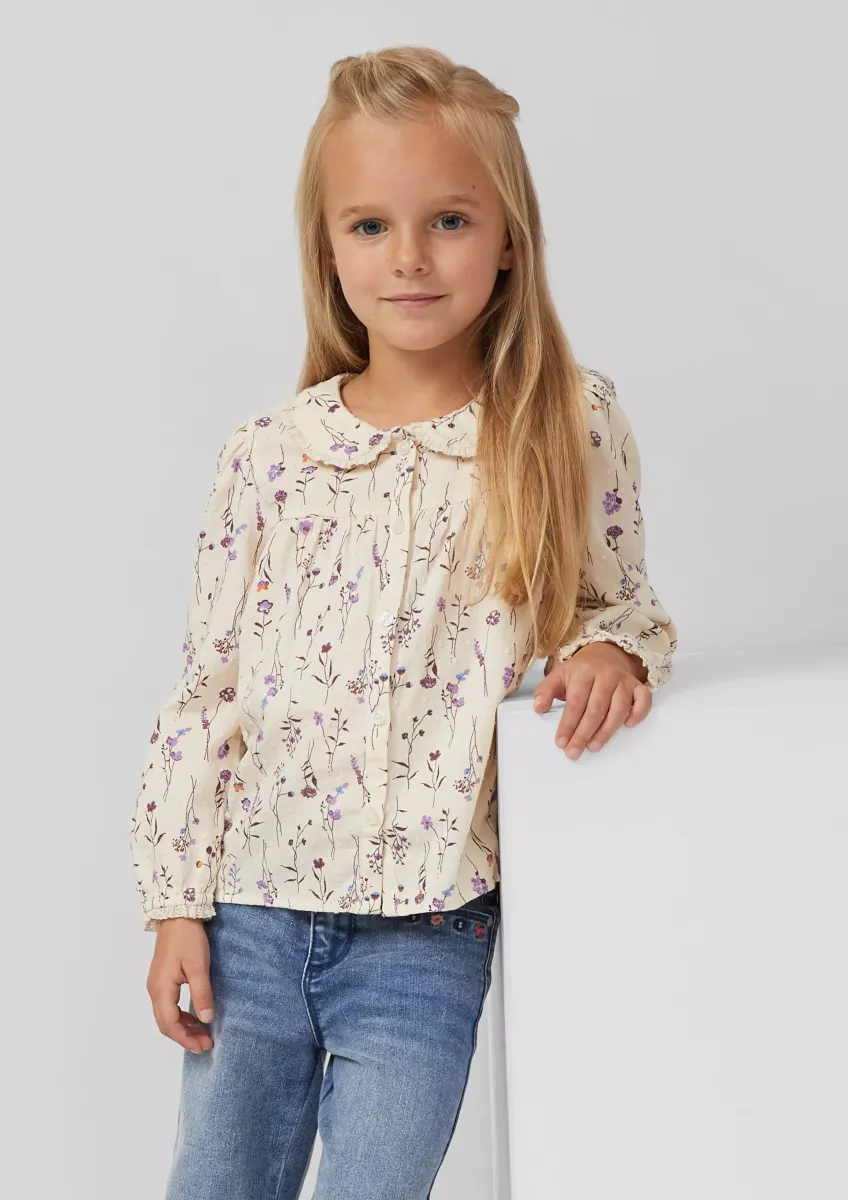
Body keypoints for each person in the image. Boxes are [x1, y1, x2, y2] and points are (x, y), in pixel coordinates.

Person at [130, 44, 678, 1200]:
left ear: (508, 238)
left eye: (448, 221)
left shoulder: (561, 421)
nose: (410, 257)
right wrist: (177, 903)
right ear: (326, 250)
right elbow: (205, 693)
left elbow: (621, 600)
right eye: (370, 226)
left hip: (427, 938)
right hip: (252, 918)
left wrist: (606, 647)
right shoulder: (269, 454)